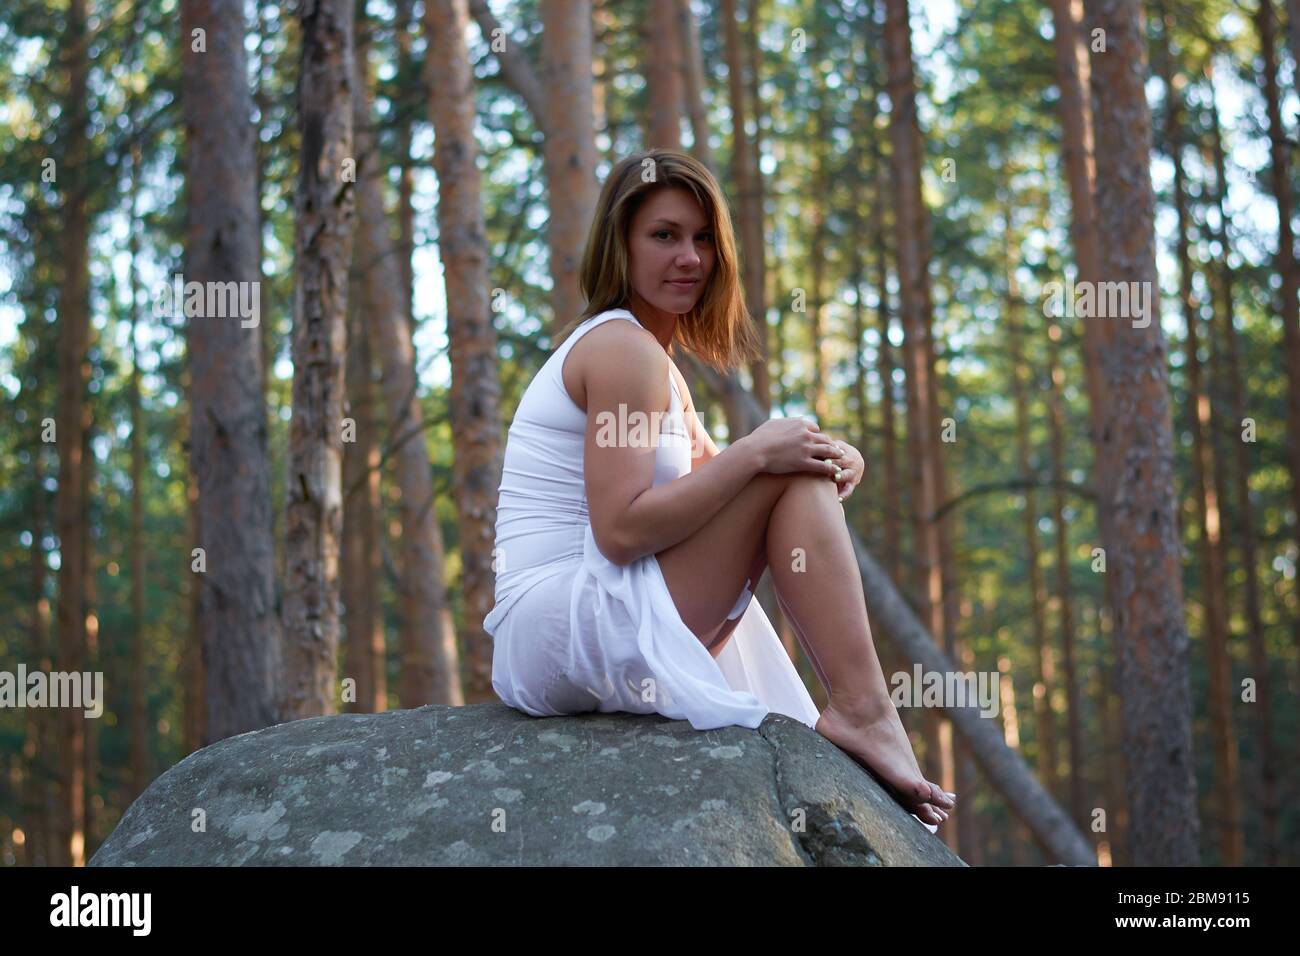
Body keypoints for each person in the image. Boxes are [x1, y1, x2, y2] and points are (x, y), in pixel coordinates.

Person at [484, 148, 955, 829]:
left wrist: (825, 455)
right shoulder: (622, 352)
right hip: (562, 616)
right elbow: (620, 533)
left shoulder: (656, 363)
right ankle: (862, 709)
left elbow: (718, 485)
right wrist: (761, 451)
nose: (690, 257)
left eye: (704, 238)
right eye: (665, 235)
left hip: (582, 618)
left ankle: (862, 710)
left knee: (785, 467)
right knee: (776, 465)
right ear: (621, 245)